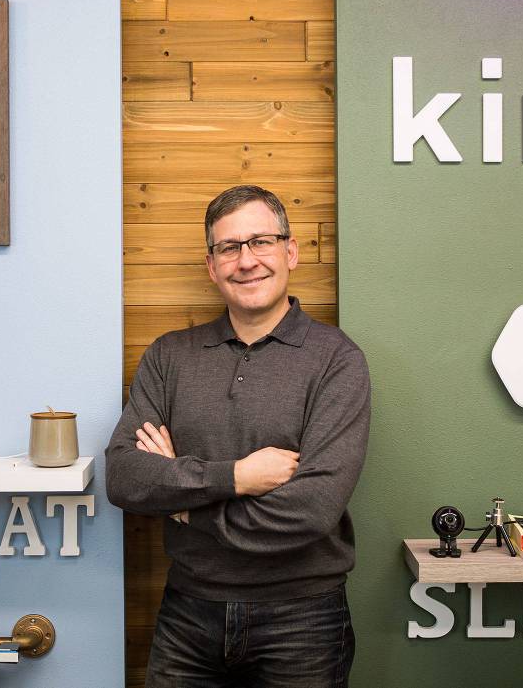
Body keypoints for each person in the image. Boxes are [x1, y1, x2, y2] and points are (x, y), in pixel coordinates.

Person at [105, 185, 371, 687]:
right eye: (229, 248)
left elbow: (312, 509)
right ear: (212, 265)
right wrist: (238, 477)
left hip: (304, 622)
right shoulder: (169, 357)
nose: (246, 261)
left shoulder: (337, 360)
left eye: (261, 242)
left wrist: (183, 506)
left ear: (290, 251)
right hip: (187, 614)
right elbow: (123, 475)